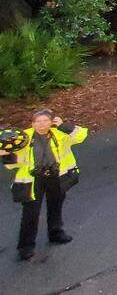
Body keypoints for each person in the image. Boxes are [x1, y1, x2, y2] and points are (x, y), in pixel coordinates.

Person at [1, 109, 88, 261]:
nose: (41, 125)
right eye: (38, 122)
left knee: (55, 206)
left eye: (45, 121)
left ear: (51, 121)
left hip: (56, 176)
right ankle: (26, 246)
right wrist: (7, 155)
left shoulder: (59, 133)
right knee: (31, 213)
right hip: (34, 180)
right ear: (32, 123)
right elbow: (13, 164)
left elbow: (81, 135)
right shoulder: (23, 138)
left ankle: (56, 233)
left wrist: (64, 126)